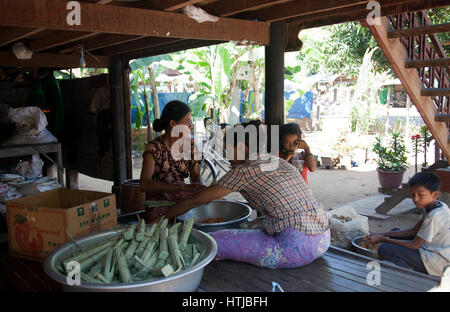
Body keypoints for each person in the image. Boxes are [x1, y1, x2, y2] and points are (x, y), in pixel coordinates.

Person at [164, 120, 330, 269]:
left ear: (242, 147)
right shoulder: (278, 162)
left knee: (213, 242)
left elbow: (192, 202)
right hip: (322, 238)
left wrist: (162, 218)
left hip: (297, 247)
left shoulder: (243, 171)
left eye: (227, 148)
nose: (225, 153)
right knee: (249, 225)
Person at [365, 172, 450, 277]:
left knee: (384, 248)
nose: (416, 199)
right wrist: (381, 233)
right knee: (393, 232)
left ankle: (410, 275)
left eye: (420, 195)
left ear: (435, 194)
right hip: (432, 249)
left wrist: (383, 239)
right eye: (413, 194)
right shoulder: (436, 205)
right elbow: (413, 231)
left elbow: (415, 245)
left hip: (438, 262)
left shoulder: (435, 216)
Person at [140, 100, 205, 224]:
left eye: (190, 122)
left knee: (202, 217)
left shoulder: (190, 145)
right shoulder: (154, 148)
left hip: (182, 199)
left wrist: (199, 187)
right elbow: (144, 184)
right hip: (159, 203)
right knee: (165, 225)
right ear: (173, 124)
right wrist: (182, 187)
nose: (190, 126)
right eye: (187, 122)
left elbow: (195, 176)